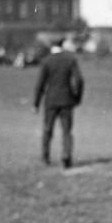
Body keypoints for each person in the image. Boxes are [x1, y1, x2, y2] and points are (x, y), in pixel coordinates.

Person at [33, 38, 84, 169]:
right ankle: (66, 155)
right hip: (67, 100)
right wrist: (77, 97)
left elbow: (40, 84)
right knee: (67, 131)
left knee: (47, 129)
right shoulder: (70, 59)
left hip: (51, 100)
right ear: (62, 45)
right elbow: (79, 80)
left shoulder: (47, 61)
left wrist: (36, 103)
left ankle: (45, 156)